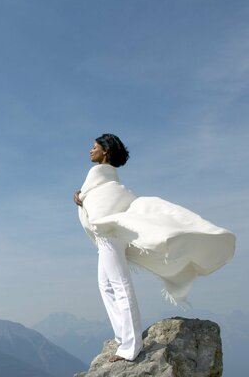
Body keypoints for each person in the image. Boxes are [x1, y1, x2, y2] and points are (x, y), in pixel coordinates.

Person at [74, 133, 235, 363]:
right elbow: (92, 198)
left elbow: (105, 204)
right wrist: (81, 199)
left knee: (120, 285)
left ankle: (131, 346)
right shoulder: (103, 181)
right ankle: (123, 337)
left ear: (105, 152)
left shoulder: (108, 183)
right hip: (105, 238)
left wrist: (85, 200)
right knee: (105, 285)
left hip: (109, 236)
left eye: (94, 147)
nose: (90, 150)